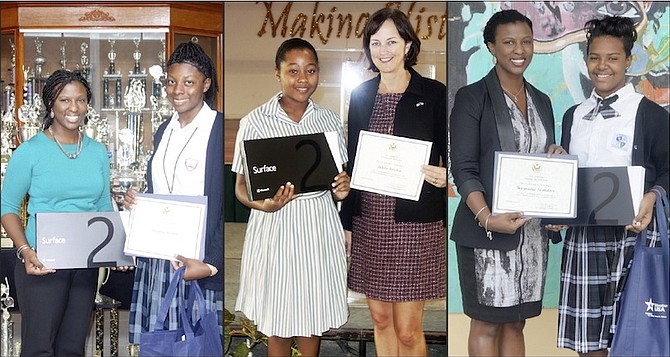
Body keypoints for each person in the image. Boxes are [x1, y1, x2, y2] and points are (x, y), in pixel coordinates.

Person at [449, 9, 565, 356]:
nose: (520, 49)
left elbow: (540, 167)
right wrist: (487, 217)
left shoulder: (542, 101)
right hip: (487, 226)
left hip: (531, 233)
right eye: (509, 42)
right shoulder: (472, 98)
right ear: (491, 47)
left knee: (516, 320)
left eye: (527, 41)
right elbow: (464, 168)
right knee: (487, 322)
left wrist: (554, 159)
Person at [551, 15, 669, 356]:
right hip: (584, 239)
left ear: (628, 61)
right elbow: (570, 181)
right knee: (589, 344)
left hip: (633, 239)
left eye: (613, 58)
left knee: (633, 337)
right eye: (594, 57)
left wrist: (652, 194)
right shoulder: (574, 115)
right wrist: (556, 206)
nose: (602, 66)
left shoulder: (651, 115)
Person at [233, 38, 350, 357]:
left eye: (310, 70)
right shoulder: (254, 121)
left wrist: (343, 187)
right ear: (277, 73)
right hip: (276, 224)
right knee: (279, 321)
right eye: (293, 70)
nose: (303, 79)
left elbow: (338, 177)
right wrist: (262, 204)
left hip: (317, 224)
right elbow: (240, 186)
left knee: (312, 320)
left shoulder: (329, 121)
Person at [339, 8, 447, 356]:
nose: (383, 50)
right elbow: (352, 163)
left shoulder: (434, 93)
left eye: (391, 41)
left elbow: (454, 154)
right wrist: (347, 223)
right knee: (381, 319)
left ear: (407, 45)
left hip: (414, 224)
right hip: (370, 220)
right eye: (375, 43)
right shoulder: (360, 96)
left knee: (407, 329)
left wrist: (448, 175)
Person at [0, 69, 113, 356]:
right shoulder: (30, 151)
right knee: (39, 349)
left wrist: (117, 249)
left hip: (85, 264)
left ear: (88, 104)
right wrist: (25, 250)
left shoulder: (98, 152)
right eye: (65, 100)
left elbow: (102, 206)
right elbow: (7, 207)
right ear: (51, 104)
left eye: (81, 100)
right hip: (41, 264)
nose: (73, 108)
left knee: (72, 349)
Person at [123, 41, 224, 348]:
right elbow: (161, 190)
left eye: (188, 82)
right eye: (171, 81)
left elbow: (222, 209)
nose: (177, 90)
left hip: (196, 262)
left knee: (194, 346)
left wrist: (211, 264)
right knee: (159, 346)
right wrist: (138, 201)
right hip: (158, 262)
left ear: (206, 84)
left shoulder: (218, 130)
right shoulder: (164, 129)